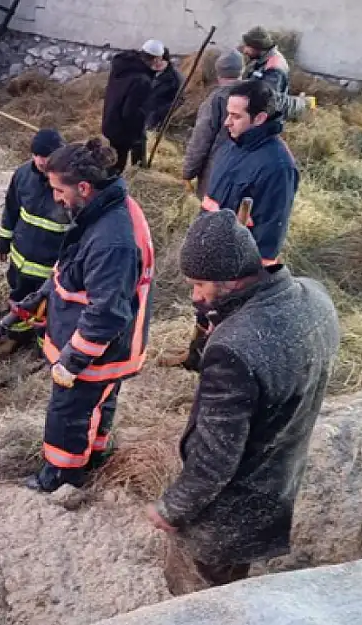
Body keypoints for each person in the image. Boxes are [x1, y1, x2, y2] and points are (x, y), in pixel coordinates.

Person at [146, 209, 339, 588]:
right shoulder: (316, 298)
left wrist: (172, 507)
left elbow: (216, 460)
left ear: (231, 282)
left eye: (199, 285)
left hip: (226, 514)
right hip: (278, 483)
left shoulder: (234, 350)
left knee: (200, 595)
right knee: (233, 584)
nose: (194, 296)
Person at [6, 139, 154, 493]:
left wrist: (71, 363)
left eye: (59, 189)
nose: (55, 197)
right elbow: (71, 270)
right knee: (98, 406)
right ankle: (95, 455)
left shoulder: (112, 241)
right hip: (103, 349)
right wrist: (39, 298)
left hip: (98, 352)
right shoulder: (99, 213)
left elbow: (106, 313)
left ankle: (61, 478)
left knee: (68, 413)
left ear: (84, 188)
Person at [202, 79, 298, 268]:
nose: (226, 123)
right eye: (228, 114)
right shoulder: (231, 145)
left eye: (236, 116)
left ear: (259, 118)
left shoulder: (278, 167)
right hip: (211, 250)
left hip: (235, 263)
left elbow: (270, 232)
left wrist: (252, 278)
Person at [0, 128, 69, 352]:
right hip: (21, 259)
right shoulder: (22, 175)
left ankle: (44, 348)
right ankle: (16, 336)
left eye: (47, 156)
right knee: (19, 298)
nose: (42, 161)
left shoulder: (70, 185)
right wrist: (3, 241)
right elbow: (11, 208)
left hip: (50, 268)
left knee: (49, 308)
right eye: (37, 155)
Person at [182, 50, 245, 199]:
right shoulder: (257, 94)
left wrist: (188, 172)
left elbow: (201, 139)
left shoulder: (216, 100)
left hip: (218, 169)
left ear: (218, 73)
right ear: (242, 70)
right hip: (249, 170)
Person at [102, 39, 167, 174]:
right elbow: (130, 112)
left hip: (111, 119)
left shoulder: (123, 64)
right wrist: (137, 133)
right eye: (160, 59)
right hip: (124, 128)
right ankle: (137, 177)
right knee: (122, 161)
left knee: (116, 158)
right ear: (155, 60)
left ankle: (113, 178)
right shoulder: (142, 80)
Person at [239, 26, 290, 101]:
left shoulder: (274, 68)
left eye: (248, 46)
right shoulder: (261, 60)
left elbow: (267, 99)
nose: (245, 51)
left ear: (258, 46)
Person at [145, 48, 184, 131]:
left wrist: (157, 114)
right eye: (154, 60)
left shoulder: (175, 78)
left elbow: (179, 101)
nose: (157, 63)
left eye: (160, 60)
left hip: (158, 121)